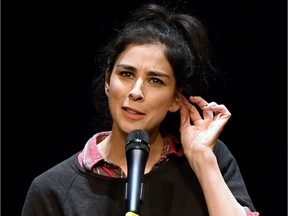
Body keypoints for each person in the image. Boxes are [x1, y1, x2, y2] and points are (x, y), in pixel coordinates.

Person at [21, 3, 260, 216]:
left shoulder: (212, 159)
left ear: (176, 99)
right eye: (126, 74)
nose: (136, 91)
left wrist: (202, 160)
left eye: (155, 80)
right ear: (107, 81)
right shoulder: (53, 189)